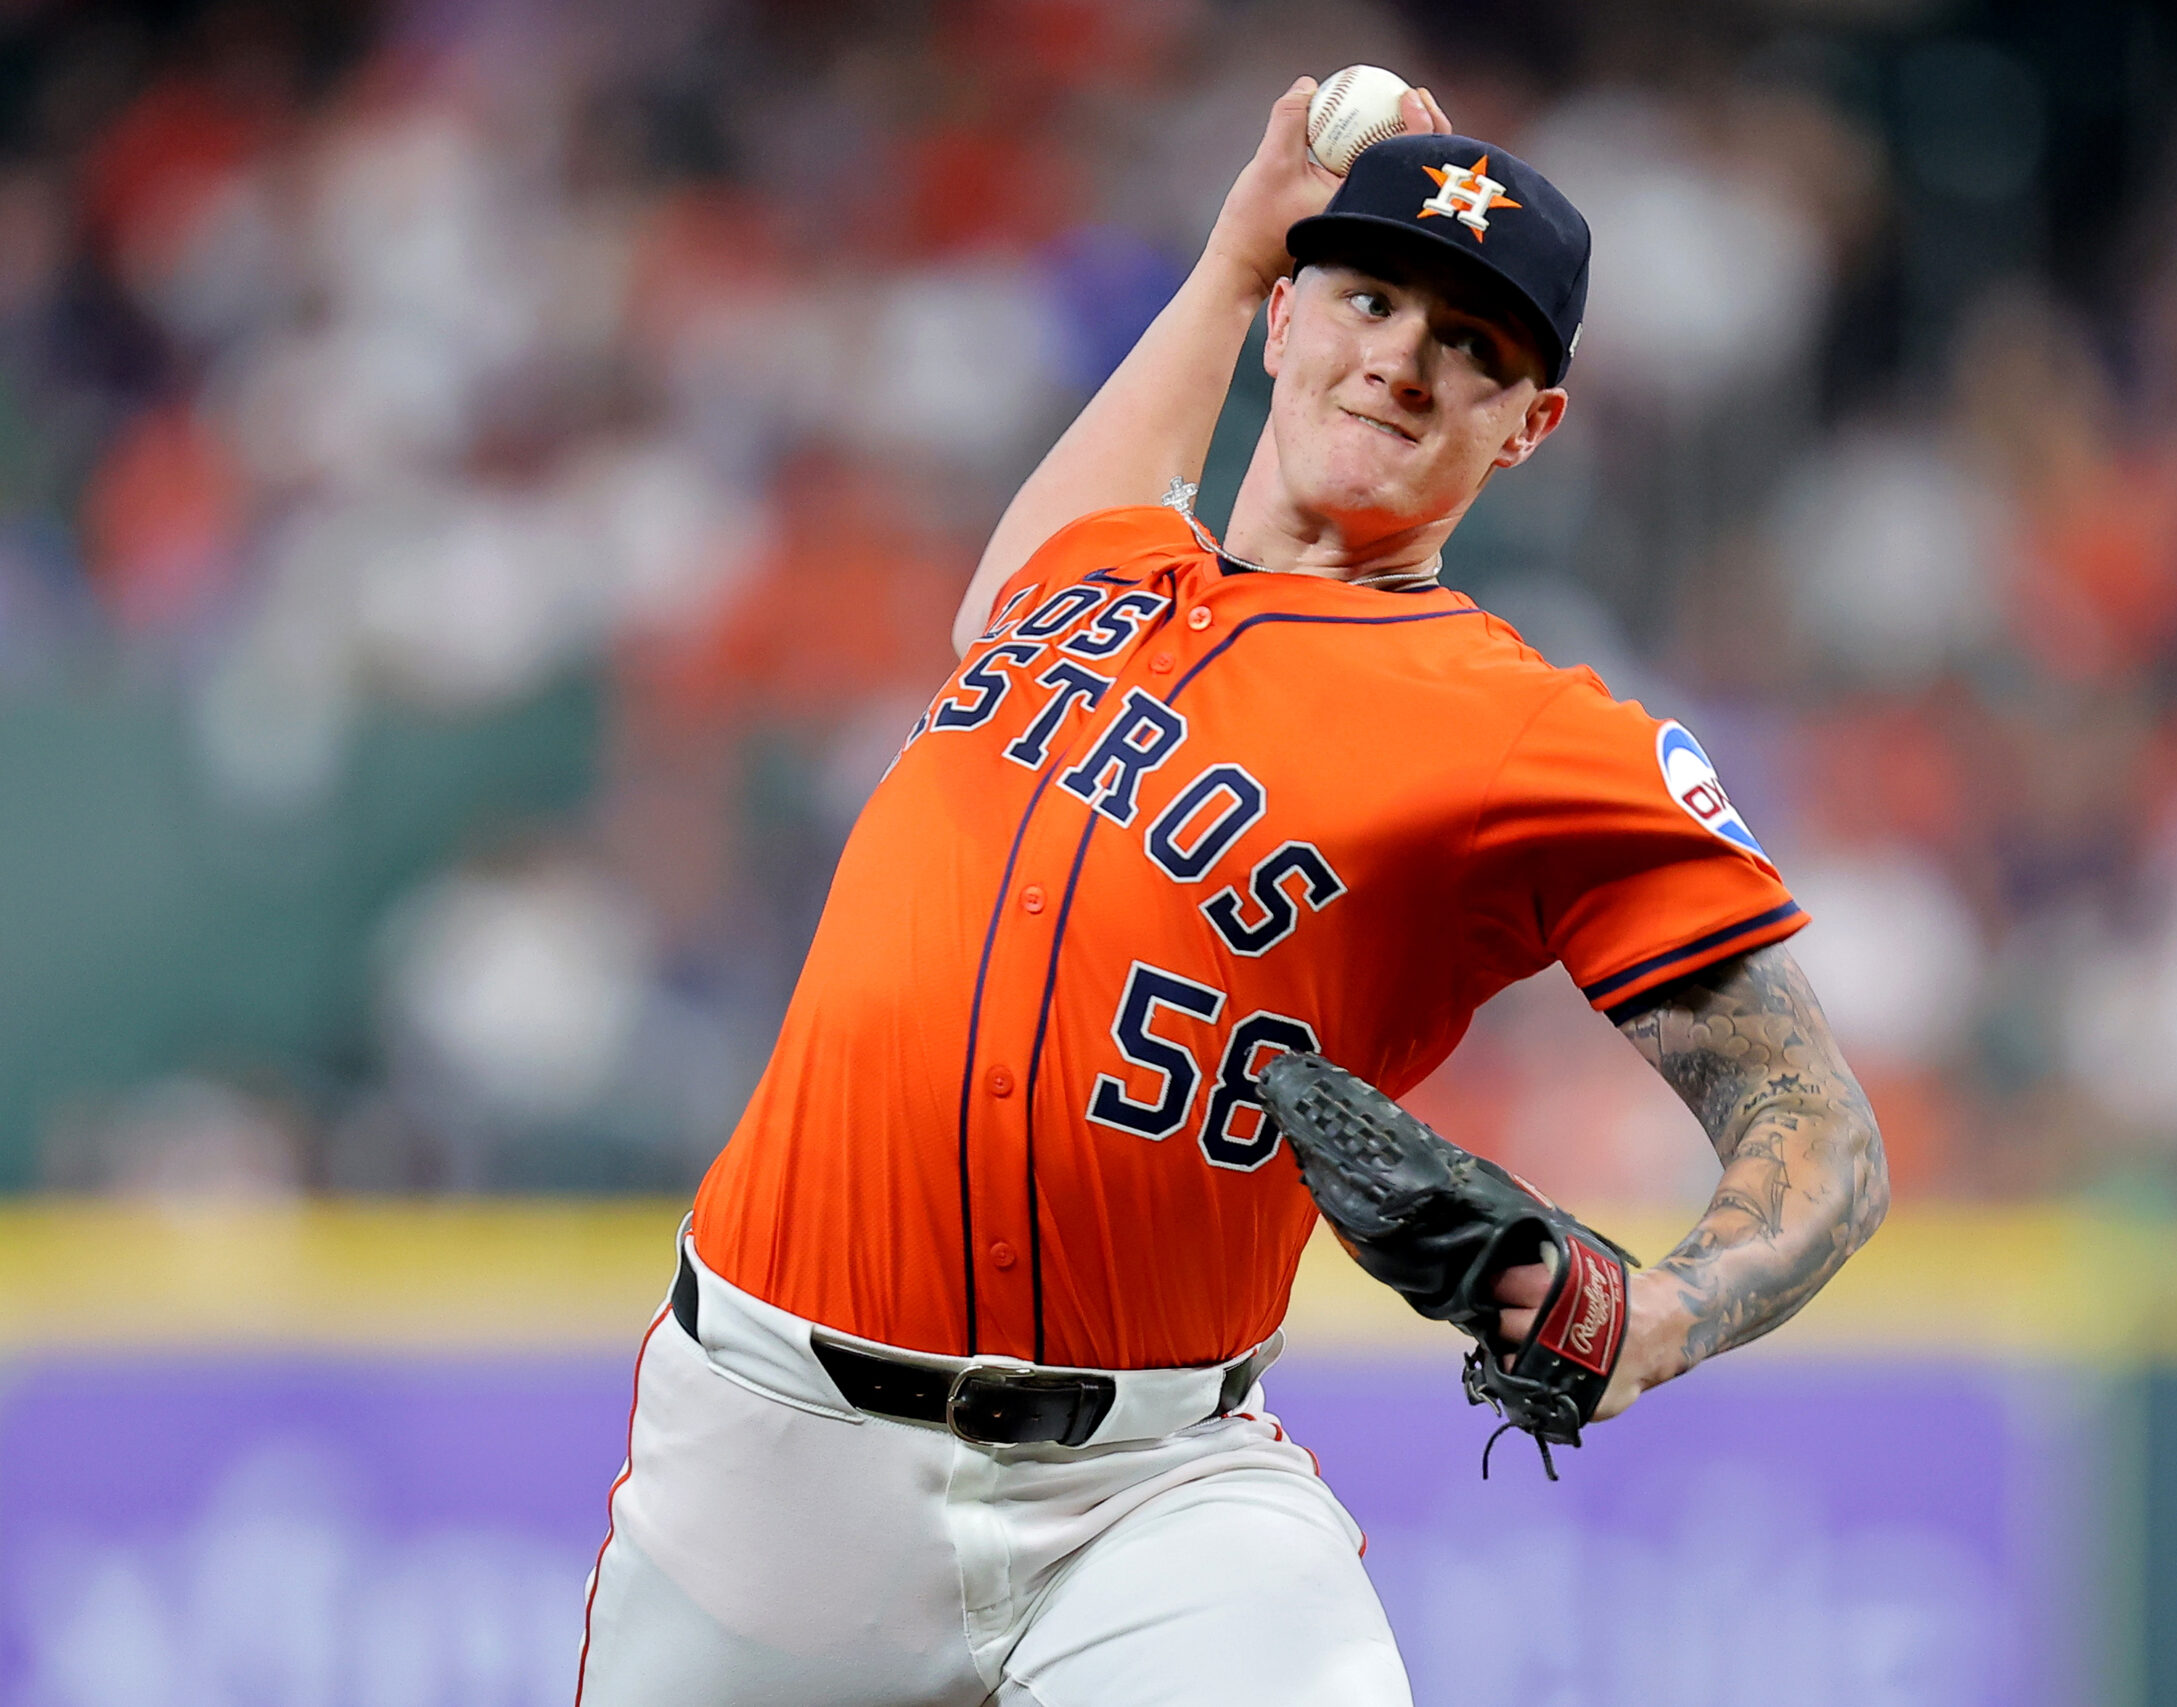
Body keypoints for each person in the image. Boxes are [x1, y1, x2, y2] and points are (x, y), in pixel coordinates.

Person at [575, 77, 1887, 1707]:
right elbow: (1003, 588)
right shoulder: (1094, 571)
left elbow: (1820, 1128)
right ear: (1285, 316)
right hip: (768, 1451)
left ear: (1530, 423)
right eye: (1369, 295)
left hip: (1155, 1498)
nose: (1402, 356)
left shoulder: (1533, 731)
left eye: (1473, 341)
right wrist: (1225, 251)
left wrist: (1656, 1319)